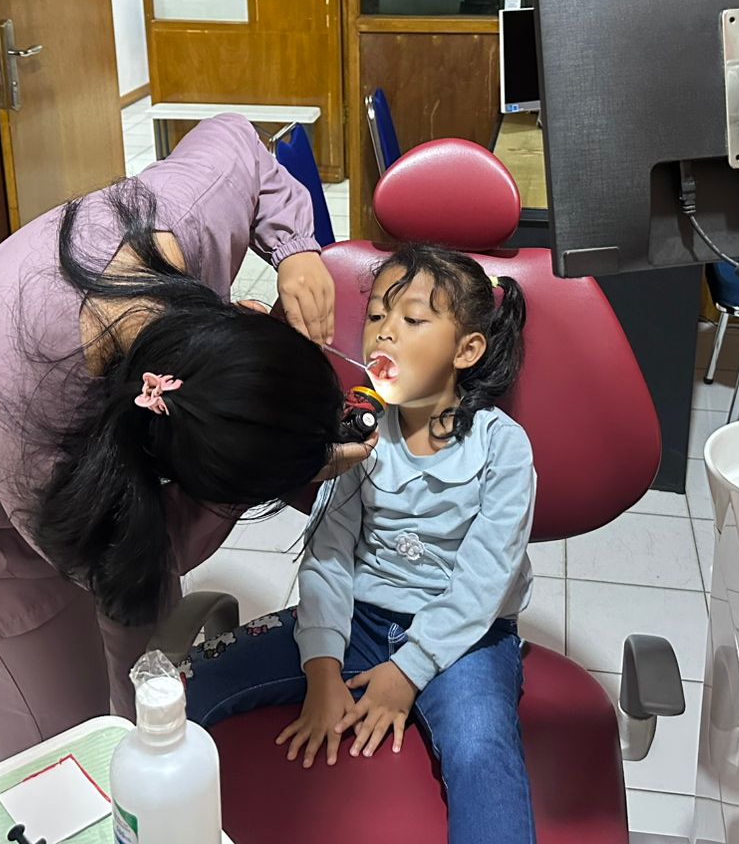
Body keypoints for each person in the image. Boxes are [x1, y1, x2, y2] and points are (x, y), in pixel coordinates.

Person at [0, 114, 374, 758]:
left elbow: (237, 139)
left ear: (248, 317)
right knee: (64, 747)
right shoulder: (21, 418)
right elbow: (128, 568)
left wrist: (296, 250)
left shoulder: (194, 220)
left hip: (70, 430)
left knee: (143, 675)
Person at [180, 245, 536, 844]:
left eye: (412, 320)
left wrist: (408, 671)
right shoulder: (358, 436)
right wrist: (322, 668)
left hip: (467, 639)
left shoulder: (503, 448)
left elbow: (484, 583)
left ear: (467, 350)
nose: (384, 334)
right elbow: (327, 554)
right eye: (375, 317)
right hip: (357, 620)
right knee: (183, 690)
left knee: (483, 749)